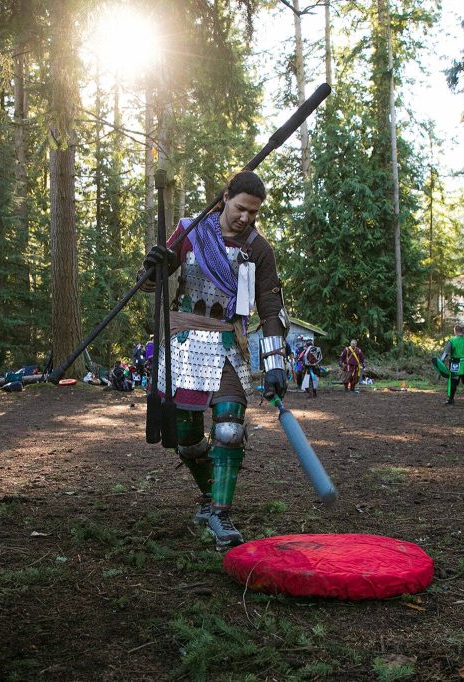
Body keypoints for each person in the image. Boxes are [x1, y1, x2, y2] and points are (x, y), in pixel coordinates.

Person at [142, 171, 289, 549]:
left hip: (227, 343)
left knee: (228, 428)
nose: (245, 218)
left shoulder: (259, 249)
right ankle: (209, 495)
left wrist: (275, 364)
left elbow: (271, 308)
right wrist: (154, 265)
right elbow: (149, 283)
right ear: (225, 197)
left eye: (253, 213)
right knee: (186, 436)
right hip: (186, 341)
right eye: (241, 209)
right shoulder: (191, 233)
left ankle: (222, 514)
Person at [441, 325, 464, 405]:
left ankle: (451, 400)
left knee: (454, 382)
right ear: (461, 331)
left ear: (455, 331)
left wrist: (441, 360)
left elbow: (446, 352)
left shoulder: (452, 340)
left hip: (455, 364)